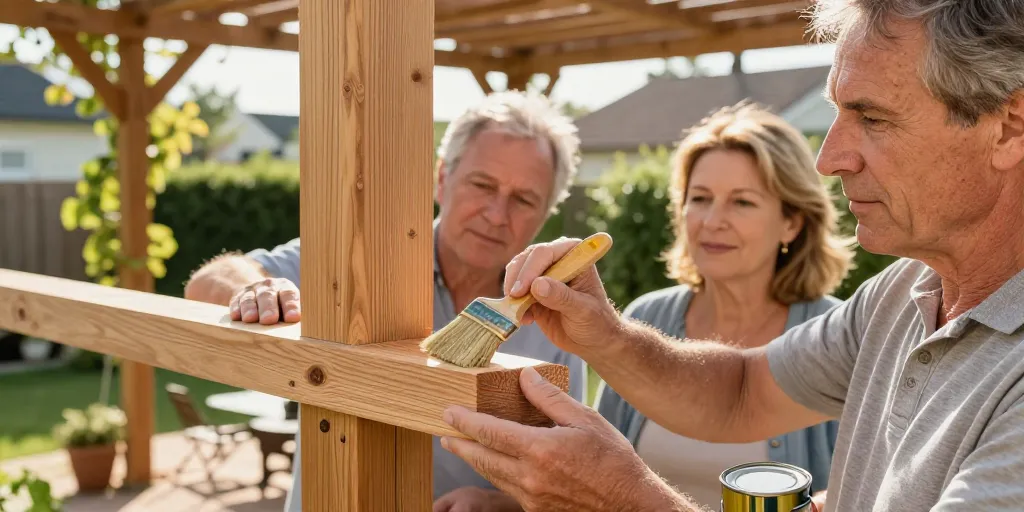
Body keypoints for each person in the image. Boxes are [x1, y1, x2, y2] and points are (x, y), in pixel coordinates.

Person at [436, 1, 1024, 510]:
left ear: (1008, 127)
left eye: (871, 117)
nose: (830, 158)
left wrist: (624, 499)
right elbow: (742, 391)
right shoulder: (902, 293)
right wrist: (607, 336)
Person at [183, 90, 587, 511]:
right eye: (483, 185)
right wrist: (255, 289)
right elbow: (209, 281)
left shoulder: (556, 319)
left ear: (546, 212)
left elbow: (568, 476)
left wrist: (496, 503)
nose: (497, 214)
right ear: (442, 178)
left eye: (523, 199)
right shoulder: (363, 256)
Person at [594, 101, 853, 509]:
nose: (713, 220)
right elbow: (596, 464)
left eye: (742, 202)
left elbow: (869, 489)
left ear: (792, 221)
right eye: (700, 198)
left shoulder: (835, 333)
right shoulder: (645, 318)